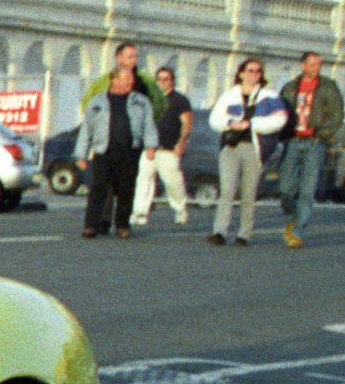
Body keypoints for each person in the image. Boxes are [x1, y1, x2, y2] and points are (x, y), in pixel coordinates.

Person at [76, 46, 156, 239]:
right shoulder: (97, 102)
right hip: (104, 150)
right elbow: (86, 128)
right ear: (114, 80)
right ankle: (90, 225)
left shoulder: (141, 101)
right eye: (126, 79)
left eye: (131, 79)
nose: (130, 82)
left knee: (126, 190)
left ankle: (122, 225)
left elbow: (148, 125)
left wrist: (151, 145)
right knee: (98, 189)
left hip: (129, 151)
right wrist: (81, 154)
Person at [206, 57, 283, 246]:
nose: (253, 74)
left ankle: (244, 233)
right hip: (231, 147)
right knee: (227, 190)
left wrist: (252, 124)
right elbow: (215, 119)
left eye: (257, 71)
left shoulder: (269, 96)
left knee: (248, 192)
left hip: (254, 148)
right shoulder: (229, 96)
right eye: (250, 70)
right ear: (241, 73)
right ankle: (220, 231)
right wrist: (231, 123)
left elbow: (280, 119)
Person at [278, 51, 345, 248]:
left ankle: (297, 230)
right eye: (312, 64)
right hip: (292, 141)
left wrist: (321, 133)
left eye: (319, 64)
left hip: (314, 142)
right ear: (303, 65)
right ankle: (292, 216)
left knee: (308, 188)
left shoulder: (328, 87)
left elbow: (336, 114)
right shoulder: (290, 88)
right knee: (285, 189)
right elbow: (280, 111)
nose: (316, 68)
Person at [131, 64, 194, 228]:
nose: (162, 82)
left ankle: (180, 209)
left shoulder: (180, 100)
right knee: (143, 180)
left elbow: (186, 124)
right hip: (150, 148)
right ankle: (140, 213)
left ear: (172, 81)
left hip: (169, 149)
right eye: (159, 79)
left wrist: (181, 143)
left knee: (174, 183)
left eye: (166, 79)